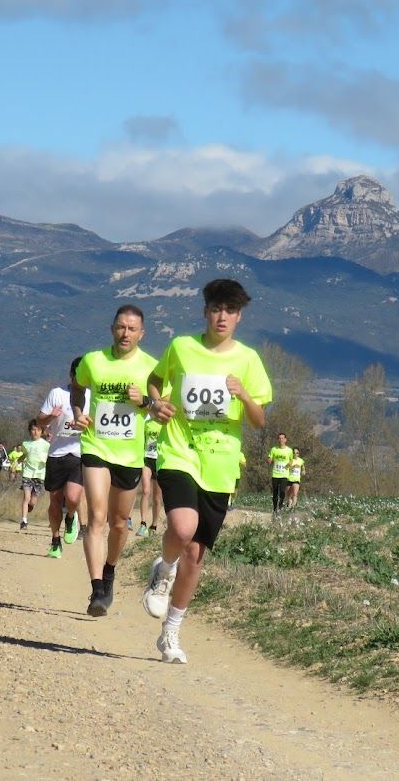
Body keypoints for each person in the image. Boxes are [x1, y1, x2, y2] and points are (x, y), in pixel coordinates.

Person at [141, 279, 271, 663]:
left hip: (220, 465)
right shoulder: (182, 347)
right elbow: (154, 380)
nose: (222, 317)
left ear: (239, 317)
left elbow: (260, 420)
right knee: (181, 528)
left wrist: (244, 394)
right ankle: (163, 571)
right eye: (216, 309)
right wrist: (155, 404)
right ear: (205, 312)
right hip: (179, 452)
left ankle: (171, 633)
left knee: (196, 556)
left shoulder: (248, 360)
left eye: (230, 311)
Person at [69, 304, 159, 617]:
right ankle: (96, 590)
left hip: (130, 455)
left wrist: (145, 401)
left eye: (132, 329)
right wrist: (79, 413)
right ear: (112, 329)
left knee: (119, 523)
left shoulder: (152, 367)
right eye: (121, 327)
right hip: (96, 446)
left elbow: (163, 407)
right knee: (96, 515)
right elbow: (77, 387)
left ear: (141, 334)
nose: (125, 333)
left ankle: (109, 571)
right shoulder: (93, 361)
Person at [36, 357, 88, 559]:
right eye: (78, 375)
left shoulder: (91, 396)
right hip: (56, 454)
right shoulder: (56, 394)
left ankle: (71, 517)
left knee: (74, 497)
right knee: (55, 499)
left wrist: (86, 423)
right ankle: (55, 539)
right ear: (72, 375)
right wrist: (51, 416)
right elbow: (40, 421)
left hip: (78, 453)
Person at [18, 419, 50, 530]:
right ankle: (24, 520)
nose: (35, 432)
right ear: (29, 431)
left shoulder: (46, 445)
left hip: (40, 474)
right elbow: (25, 455)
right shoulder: (26, 444)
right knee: (26, 497)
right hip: (28, 473)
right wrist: (18, 460)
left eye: (37, 430)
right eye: (32, 430)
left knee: (32, 501)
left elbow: (50, 456)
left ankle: (30, 506)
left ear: (41, 431)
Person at [136, 416, 162, 537]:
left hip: (160, 461)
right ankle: (143, 524)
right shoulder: (147, 423)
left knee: (157, 498)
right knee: (146, 491)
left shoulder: (166, 424)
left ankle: (154, 525)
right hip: (147, 459)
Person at [267, 432, 293, 518]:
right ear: (278, 440)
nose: (281, 440)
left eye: (282, 438)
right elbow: (270, 457)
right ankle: (275, 509)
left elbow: (291, 460)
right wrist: (269, 460)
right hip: (275, 474)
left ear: (285, 440)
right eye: (279, 438)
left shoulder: (289, 450)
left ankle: (280, 506)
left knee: (282, 491)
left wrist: (289, 464)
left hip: (284, 474)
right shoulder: (274, 449)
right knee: (275, 493)